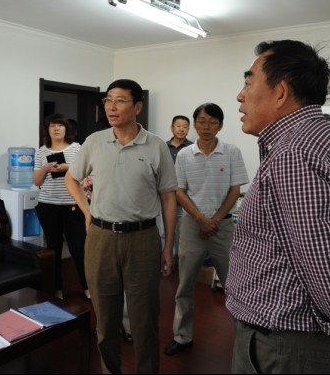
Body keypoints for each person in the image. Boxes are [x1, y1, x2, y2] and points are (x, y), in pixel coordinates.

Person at [225, 40, 330, 374]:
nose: (240, 95)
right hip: (298, 339)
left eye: (248, 83)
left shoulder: (294, 154)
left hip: (283, 345)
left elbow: (322, 264)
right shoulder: (326, 142)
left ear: (280, 93)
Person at [64, 79, 178, 374]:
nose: (111, 107)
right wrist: (87, 212)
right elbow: (71, 178)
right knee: (105, 321)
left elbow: (168, 198)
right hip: (100, 238)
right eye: (108, 100)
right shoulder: (95, 141)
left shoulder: (155, 146)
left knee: (144, 321)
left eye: (120, 100)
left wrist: (168, 247)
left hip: (143, 239)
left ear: (138, 107)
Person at [165, 103, 249, 355]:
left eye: (212, 121)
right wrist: (201, 219)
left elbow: (235, 190)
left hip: (223, 226)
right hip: (192, 226)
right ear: (195, 124)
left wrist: (214, 220)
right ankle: (182, 336)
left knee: (233, 286)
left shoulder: (231, 152)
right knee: (185, 285)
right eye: (201, 121)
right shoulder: (184, 155)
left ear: (220, 125)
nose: (206, 126)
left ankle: (243, 339)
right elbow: (179, 191)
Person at [34, 113, 89, 301]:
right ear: (47, 130)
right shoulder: (41, 152)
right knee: (53, 249)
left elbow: (86, 175)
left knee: (79, 248)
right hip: (48, 205)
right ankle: (56, 288)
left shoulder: (78, 148)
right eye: (52, 125)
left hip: (72, 205)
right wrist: (44, 169)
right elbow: (36, 182)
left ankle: (87, 287)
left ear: (67, 129)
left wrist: (68, 168)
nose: (56, 129)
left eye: (60, 125)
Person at [165, 115, 193, 267]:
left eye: (185, 126)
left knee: (182, 236)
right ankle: (164, 261)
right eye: (178, 126)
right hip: (164, 199)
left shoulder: (193, 149)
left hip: (184, 201)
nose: (181, 129)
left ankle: (178, 265)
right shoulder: (163, 147)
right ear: (172, 128)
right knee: (164, 233)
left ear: (188, 129)